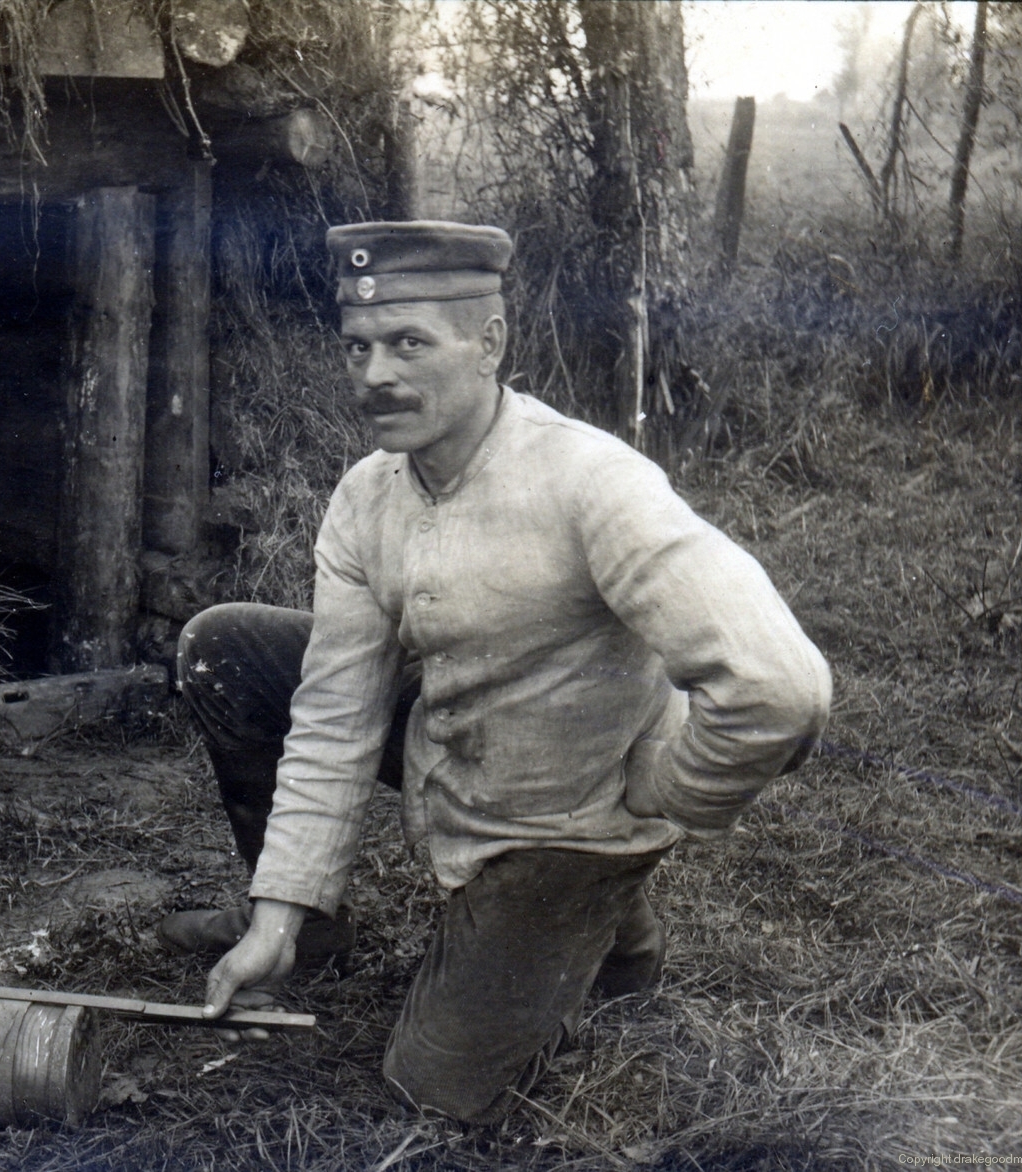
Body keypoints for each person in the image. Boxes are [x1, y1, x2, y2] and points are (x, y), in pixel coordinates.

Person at [159, 221, 832, 1122]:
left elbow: (780, 688)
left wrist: (668, 789)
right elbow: (335, 714)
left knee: (433, 1095)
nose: (375, 376)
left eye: (409, 344)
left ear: (490, 344)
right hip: (454, 740)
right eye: (357, 348)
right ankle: (310, 941)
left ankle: (606, 927)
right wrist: (278, 914)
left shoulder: (593, 481)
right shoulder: (366, 496)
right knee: (225, 646)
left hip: (564, 818)